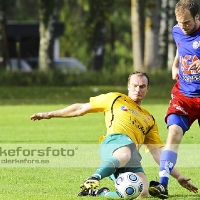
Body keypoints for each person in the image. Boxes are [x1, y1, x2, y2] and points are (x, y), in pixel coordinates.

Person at [30, 71, 197, 198]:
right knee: (125, 151)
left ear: (147, 89)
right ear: (128, 86)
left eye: (142, 86)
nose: (138, 89)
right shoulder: (115, 98)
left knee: (142, 192)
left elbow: (158, 155)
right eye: (134, 85)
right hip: (114, 143)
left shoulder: (149, 119)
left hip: (131, 157)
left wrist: (179, 177)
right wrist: (49, 114)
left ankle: (99, 193)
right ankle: (94, 177)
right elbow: (80, 108)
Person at [149, 0, 200, 199]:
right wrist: (175, 64)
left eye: (187, 22)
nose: (183, 27)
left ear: (197, 17)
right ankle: (162, 184)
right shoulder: (177, 30)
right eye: (179, 22)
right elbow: (182, 47)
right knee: (173, 134)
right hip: (184, 96)